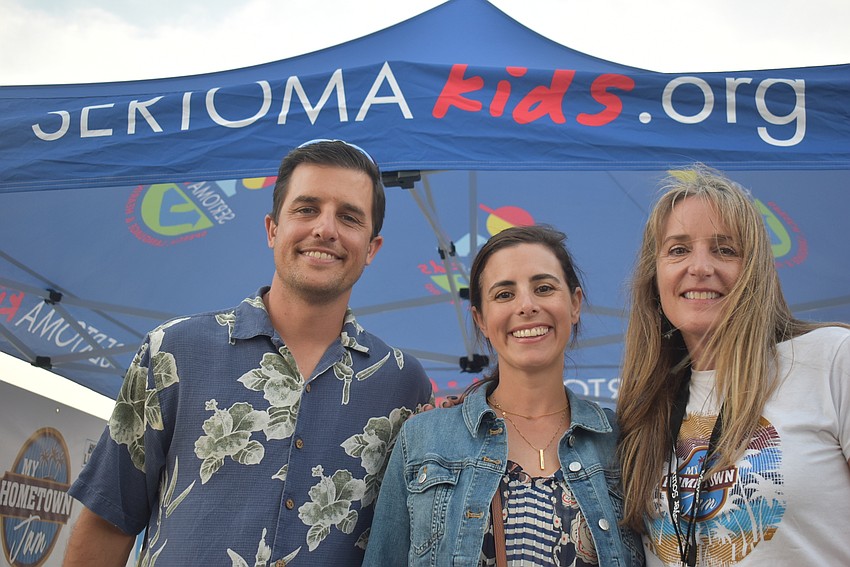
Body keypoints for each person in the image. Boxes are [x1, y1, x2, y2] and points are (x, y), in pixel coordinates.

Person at [63, 139, 433, 566]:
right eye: (306, 208)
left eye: (349, 217)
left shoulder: (404, 385)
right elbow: (109, 520)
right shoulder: (173, 351)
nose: (326, 229)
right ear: (272, 229)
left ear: (372, 248)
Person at [364, 225, 644, 567]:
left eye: (543, 288)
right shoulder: (424, 439)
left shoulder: (622, 441)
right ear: (481, 319)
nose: (526, 306)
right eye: (504, 294)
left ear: (574, 304)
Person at [616, 165, 850, 566]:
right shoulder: (641, 410)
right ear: (654, 277)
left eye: (725, 249)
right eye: (678, 249)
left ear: (755, 271)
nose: (701, 267)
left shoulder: (832, 359)